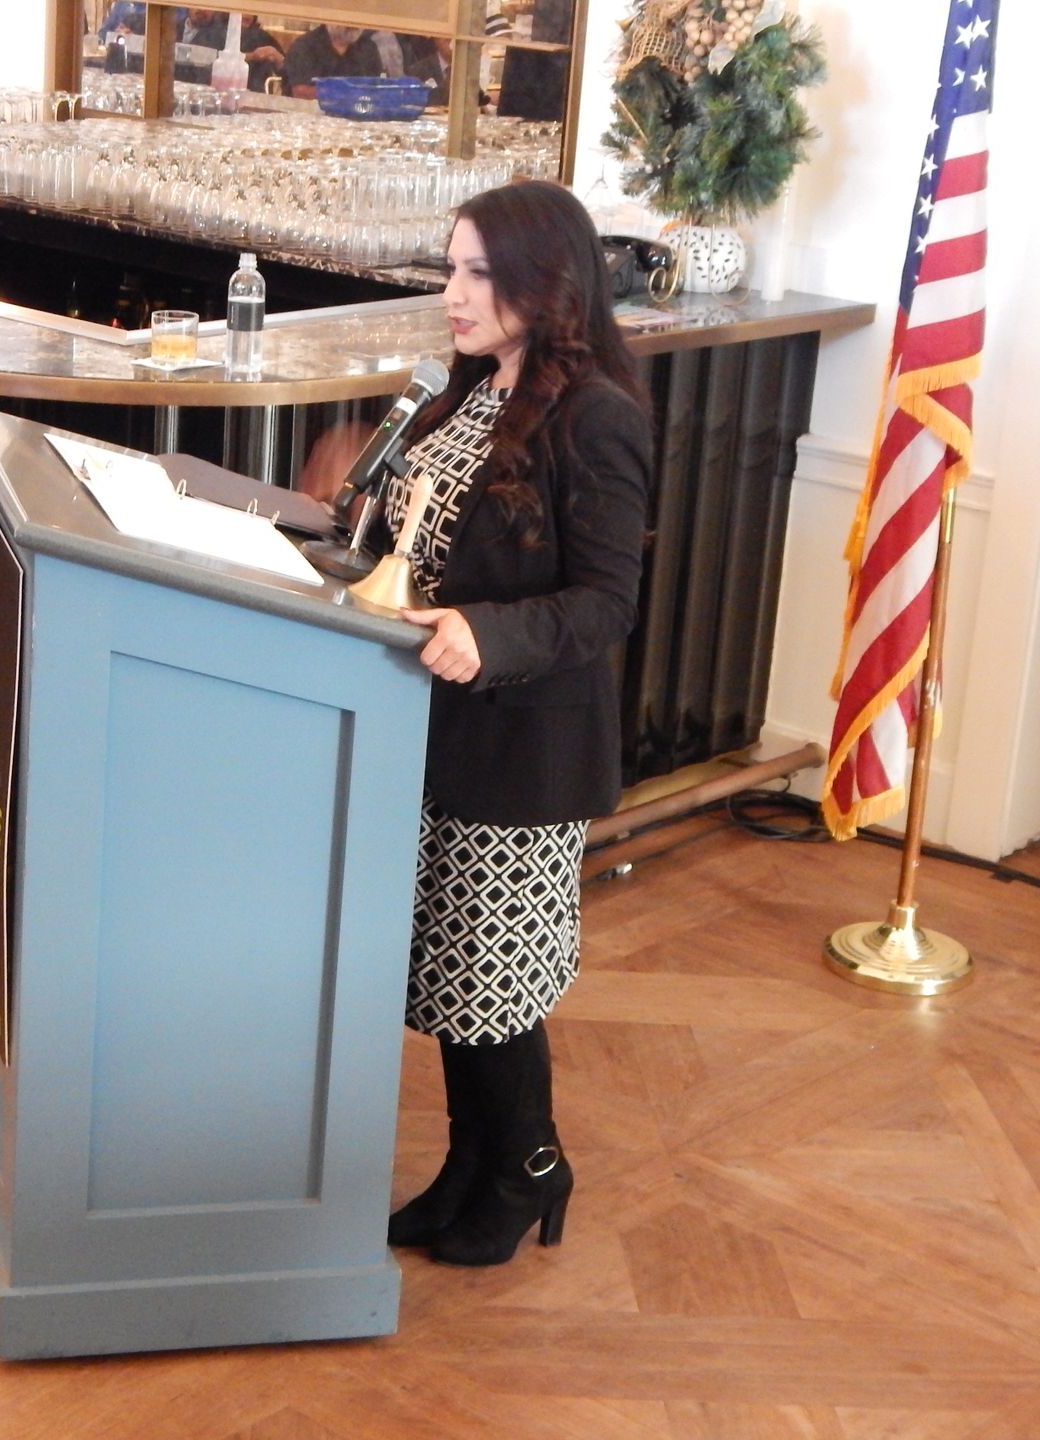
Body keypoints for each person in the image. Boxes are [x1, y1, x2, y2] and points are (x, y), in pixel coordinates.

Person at [372, 180, 651, 1267]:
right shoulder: (471, 388)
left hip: (525, 745)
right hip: (440, 731)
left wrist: (488, 634)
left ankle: (531, 1167)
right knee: (454, 969)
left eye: (479, 273)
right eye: (450, 269)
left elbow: (606, 603)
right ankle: (471, 1166)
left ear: (547, 281)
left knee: (493, 977)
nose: (454, 294)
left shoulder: (597, 416)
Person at [283, 25, 388, 99]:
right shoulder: (304, 46)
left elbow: (376, 88)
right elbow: (300, 93)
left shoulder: (368, 48)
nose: (352, 23)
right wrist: (346, 94)